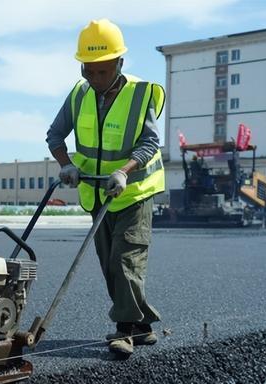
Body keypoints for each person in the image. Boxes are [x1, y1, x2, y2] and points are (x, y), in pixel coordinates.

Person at [46, 19, 166, 356]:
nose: (95, 79)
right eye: (89, 71)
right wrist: (66, 165)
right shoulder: (79, 94)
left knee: (125, 260)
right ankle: (141, 325)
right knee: (109, 264)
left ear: (119, 63)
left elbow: (150, 142)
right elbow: (55, 135)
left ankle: (123, 330)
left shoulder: (142, 94)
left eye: (102, 71)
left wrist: (126, 171)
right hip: (97, 194)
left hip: (134, 192)